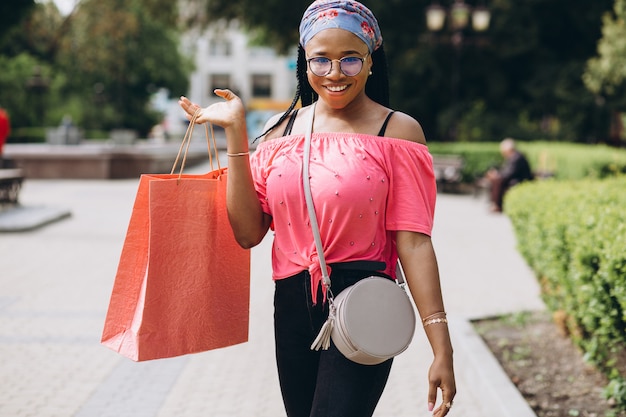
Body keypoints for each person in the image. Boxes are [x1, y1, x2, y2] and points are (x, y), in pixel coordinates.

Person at [179, 1, 456, 416]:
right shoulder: (277, 135)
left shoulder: (397, 132)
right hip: (290, 306)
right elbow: (247, 233)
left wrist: (441, 347)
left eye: (349, 60)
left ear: (370, 61)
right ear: (304, 62)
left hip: (364, 302)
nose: (334, 74)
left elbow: (414, 243)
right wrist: (237, 134)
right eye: (320, 60)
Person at [486, 138, 534, 212]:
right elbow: (506, 170)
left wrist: (498, 176)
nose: (502, 154)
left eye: (503, 151)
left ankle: (498, 205)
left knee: (498, 181)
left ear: (508, 150)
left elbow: (510, 173)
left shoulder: (517, 158)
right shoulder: (513, 157)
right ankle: (496, 204)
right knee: (496, 180)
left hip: (521, 180)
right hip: (515, 178)